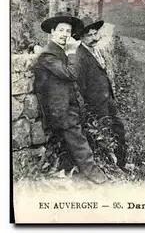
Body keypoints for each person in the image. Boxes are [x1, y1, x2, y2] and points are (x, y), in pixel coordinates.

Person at [34, 12, 107, 184]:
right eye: (61, 30)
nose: (64, 34)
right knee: (79, 141)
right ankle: (98, 177)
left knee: (75, 140)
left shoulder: (61, 51)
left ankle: (72, 169)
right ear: (52, 32)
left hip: (70, 105)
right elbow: (71, 74)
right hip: (60, 108)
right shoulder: (48, 55)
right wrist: (73, 51)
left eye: (68, 31)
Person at [75, 17, 128, 171]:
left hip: (107, 101)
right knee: (103, 138)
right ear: (81, 37)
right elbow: (80, 87)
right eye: (89, 35)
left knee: (119, 130)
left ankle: (121, 164)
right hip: (96, 106)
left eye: (95, 33)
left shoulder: (95, 51)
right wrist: (86, 112)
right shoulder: (80, 57)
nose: (94, 38)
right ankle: (109, 168)